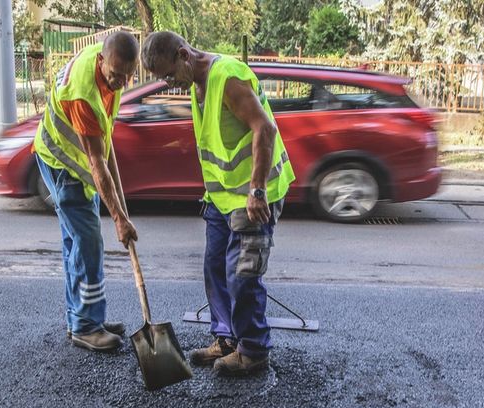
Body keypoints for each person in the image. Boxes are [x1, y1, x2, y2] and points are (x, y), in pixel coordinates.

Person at [140, 31, 295, 376]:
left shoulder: (226, 77)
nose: (168, 84)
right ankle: (227, 338)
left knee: (242, 274)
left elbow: (264, 130)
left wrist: (256, 191)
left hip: (254, 194)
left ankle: (253, 349)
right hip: (222, 197)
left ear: (184, 54)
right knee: (214, 268)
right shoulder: (198, 84)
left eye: (168, 75)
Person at [34, 31, 140, 352]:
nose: (120, 81)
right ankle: (86, 325)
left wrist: (122, 209)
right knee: (89, 241)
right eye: (114, 75)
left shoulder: (112, 73)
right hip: (62, 162)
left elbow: (107, 147)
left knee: (76, 242)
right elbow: (96, 162)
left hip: (74, 162)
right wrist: (119, 220)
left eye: (126, 76)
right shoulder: (84, 92)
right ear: (101, 60)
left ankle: (80, 317)